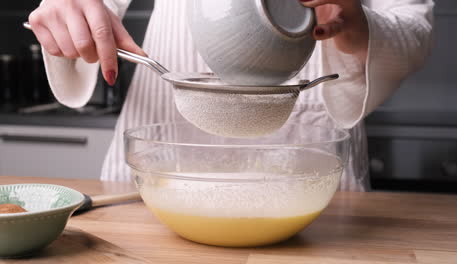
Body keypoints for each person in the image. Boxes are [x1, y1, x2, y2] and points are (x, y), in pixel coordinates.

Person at [28, 0, 434, 191]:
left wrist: (360, 26)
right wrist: (70, 11)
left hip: (311, 188)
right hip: (153, 184)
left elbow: (413, 24)